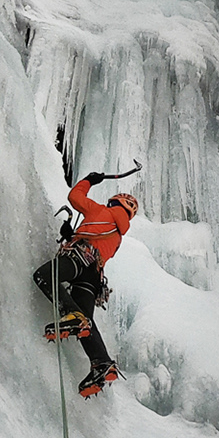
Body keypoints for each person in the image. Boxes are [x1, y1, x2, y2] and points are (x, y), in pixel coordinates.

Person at [34, 170, 140, 397]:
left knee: (44, 276)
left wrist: (89, 181)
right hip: (93, 277)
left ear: (114, 202)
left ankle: (71, 314)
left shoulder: (101, 210)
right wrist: (73, 235)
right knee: (86, 321)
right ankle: (101, 362)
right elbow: (94, 233)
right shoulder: (118, 235)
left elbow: (75, 197)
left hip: (79, 259)